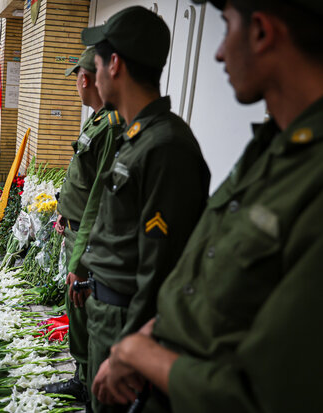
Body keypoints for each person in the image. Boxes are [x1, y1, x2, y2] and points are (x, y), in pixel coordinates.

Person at [91, 1, 323, 412]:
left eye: (227, 25)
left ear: (262, 32)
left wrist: (133, 353)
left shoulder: (305, 171)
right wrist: (141, 340)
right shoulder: (270, 147)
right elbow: (202, 280)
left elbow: (262, 395)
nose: (217, 52)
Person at [77, 7, 211, 412]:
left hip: (126, 325)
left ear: (113, 64)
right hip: (108, 317)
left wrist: (130, 351)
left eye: (96, 64)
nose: (93, 76)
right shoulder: (135, 136)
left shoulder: (166, 147)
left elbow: (160, 266)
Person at [44, 46, 124, 406]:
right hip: (76, 226)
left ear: (85, 77)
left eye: (76, 77)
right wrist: (65, 211)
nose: (76, 84)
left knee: (85, 307)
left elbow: (100, 190)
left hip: (89, 236)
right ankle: (80, 376)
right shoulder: (96, 119)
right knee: (75, 306)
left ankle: (91, 384)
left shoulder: (109, 124)